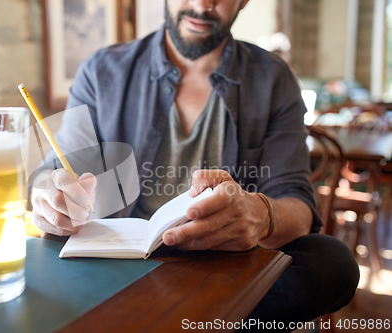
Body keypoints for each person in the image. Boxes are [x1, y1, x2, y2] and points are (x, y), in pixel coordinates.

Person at [31, 0, 359, 330]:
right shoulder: (103, 71)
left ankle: (164, 314)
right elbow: (54, 171)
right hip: (123, 262)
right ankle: (200, 315)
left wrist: (260, 214)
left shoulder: (273, 78)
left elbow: (299, 205)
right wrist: (49, 195)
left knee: (333, 262)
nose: (202, 5)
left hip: (225, 264)